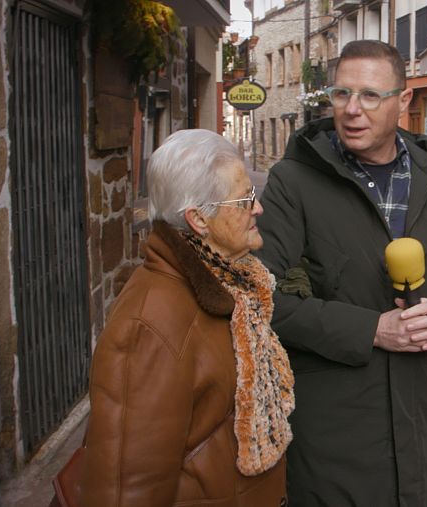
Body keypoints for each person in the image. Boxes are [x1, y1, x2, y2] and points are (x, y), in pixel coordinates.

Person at [255, 40, 427, 506]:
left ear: (403, 101)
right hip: (333, 425)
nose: (351, 110)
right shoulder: (293, 182)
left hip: (418, 414)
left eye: (369, 96)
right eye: (342, 94)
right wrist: (371, 330)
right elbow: (259, 298)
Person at [80, 129, 293, 506]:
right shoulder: (150, 326)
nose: (258, 208)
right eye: (245, 199)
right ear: (198, 219)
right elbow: (124, 489)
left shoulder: (230, 285)